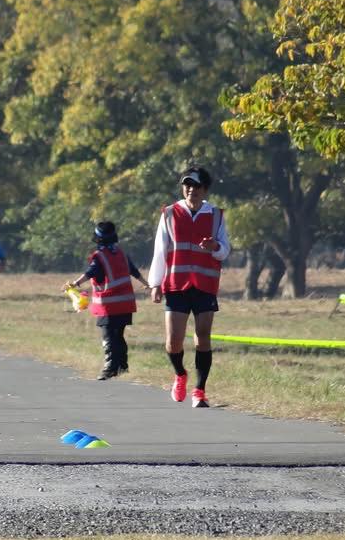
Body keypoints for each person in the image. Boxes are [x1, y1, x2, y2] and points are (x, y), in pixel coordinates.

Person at [148, 165, 231, 408]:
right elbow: (160, 250)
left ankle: (200, 390)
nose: (191, 190)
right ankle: (180, 374)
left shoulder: (216, 215)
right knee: (173, 341)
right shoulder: (170, 213)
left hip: (205, 284)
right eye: (187, 185)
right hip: (176, 284)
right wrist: (155, 283)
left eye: (196, 186)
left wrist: (214, 246)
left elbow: (225, 251)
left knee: (203, 337)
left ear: (205, 189)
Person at [64, 222, 150, 380]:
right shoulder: (122, 254)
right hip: (125, 304)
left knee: (108, 336)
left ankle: (110, 367)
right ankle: (122, 366)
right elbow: (134, 271)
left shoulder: (99, 256)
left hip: (109, 305)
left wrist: (75, 284)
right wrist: (146, 284)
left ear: (97, 238)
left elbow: (90, 273)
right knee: (119, 335)